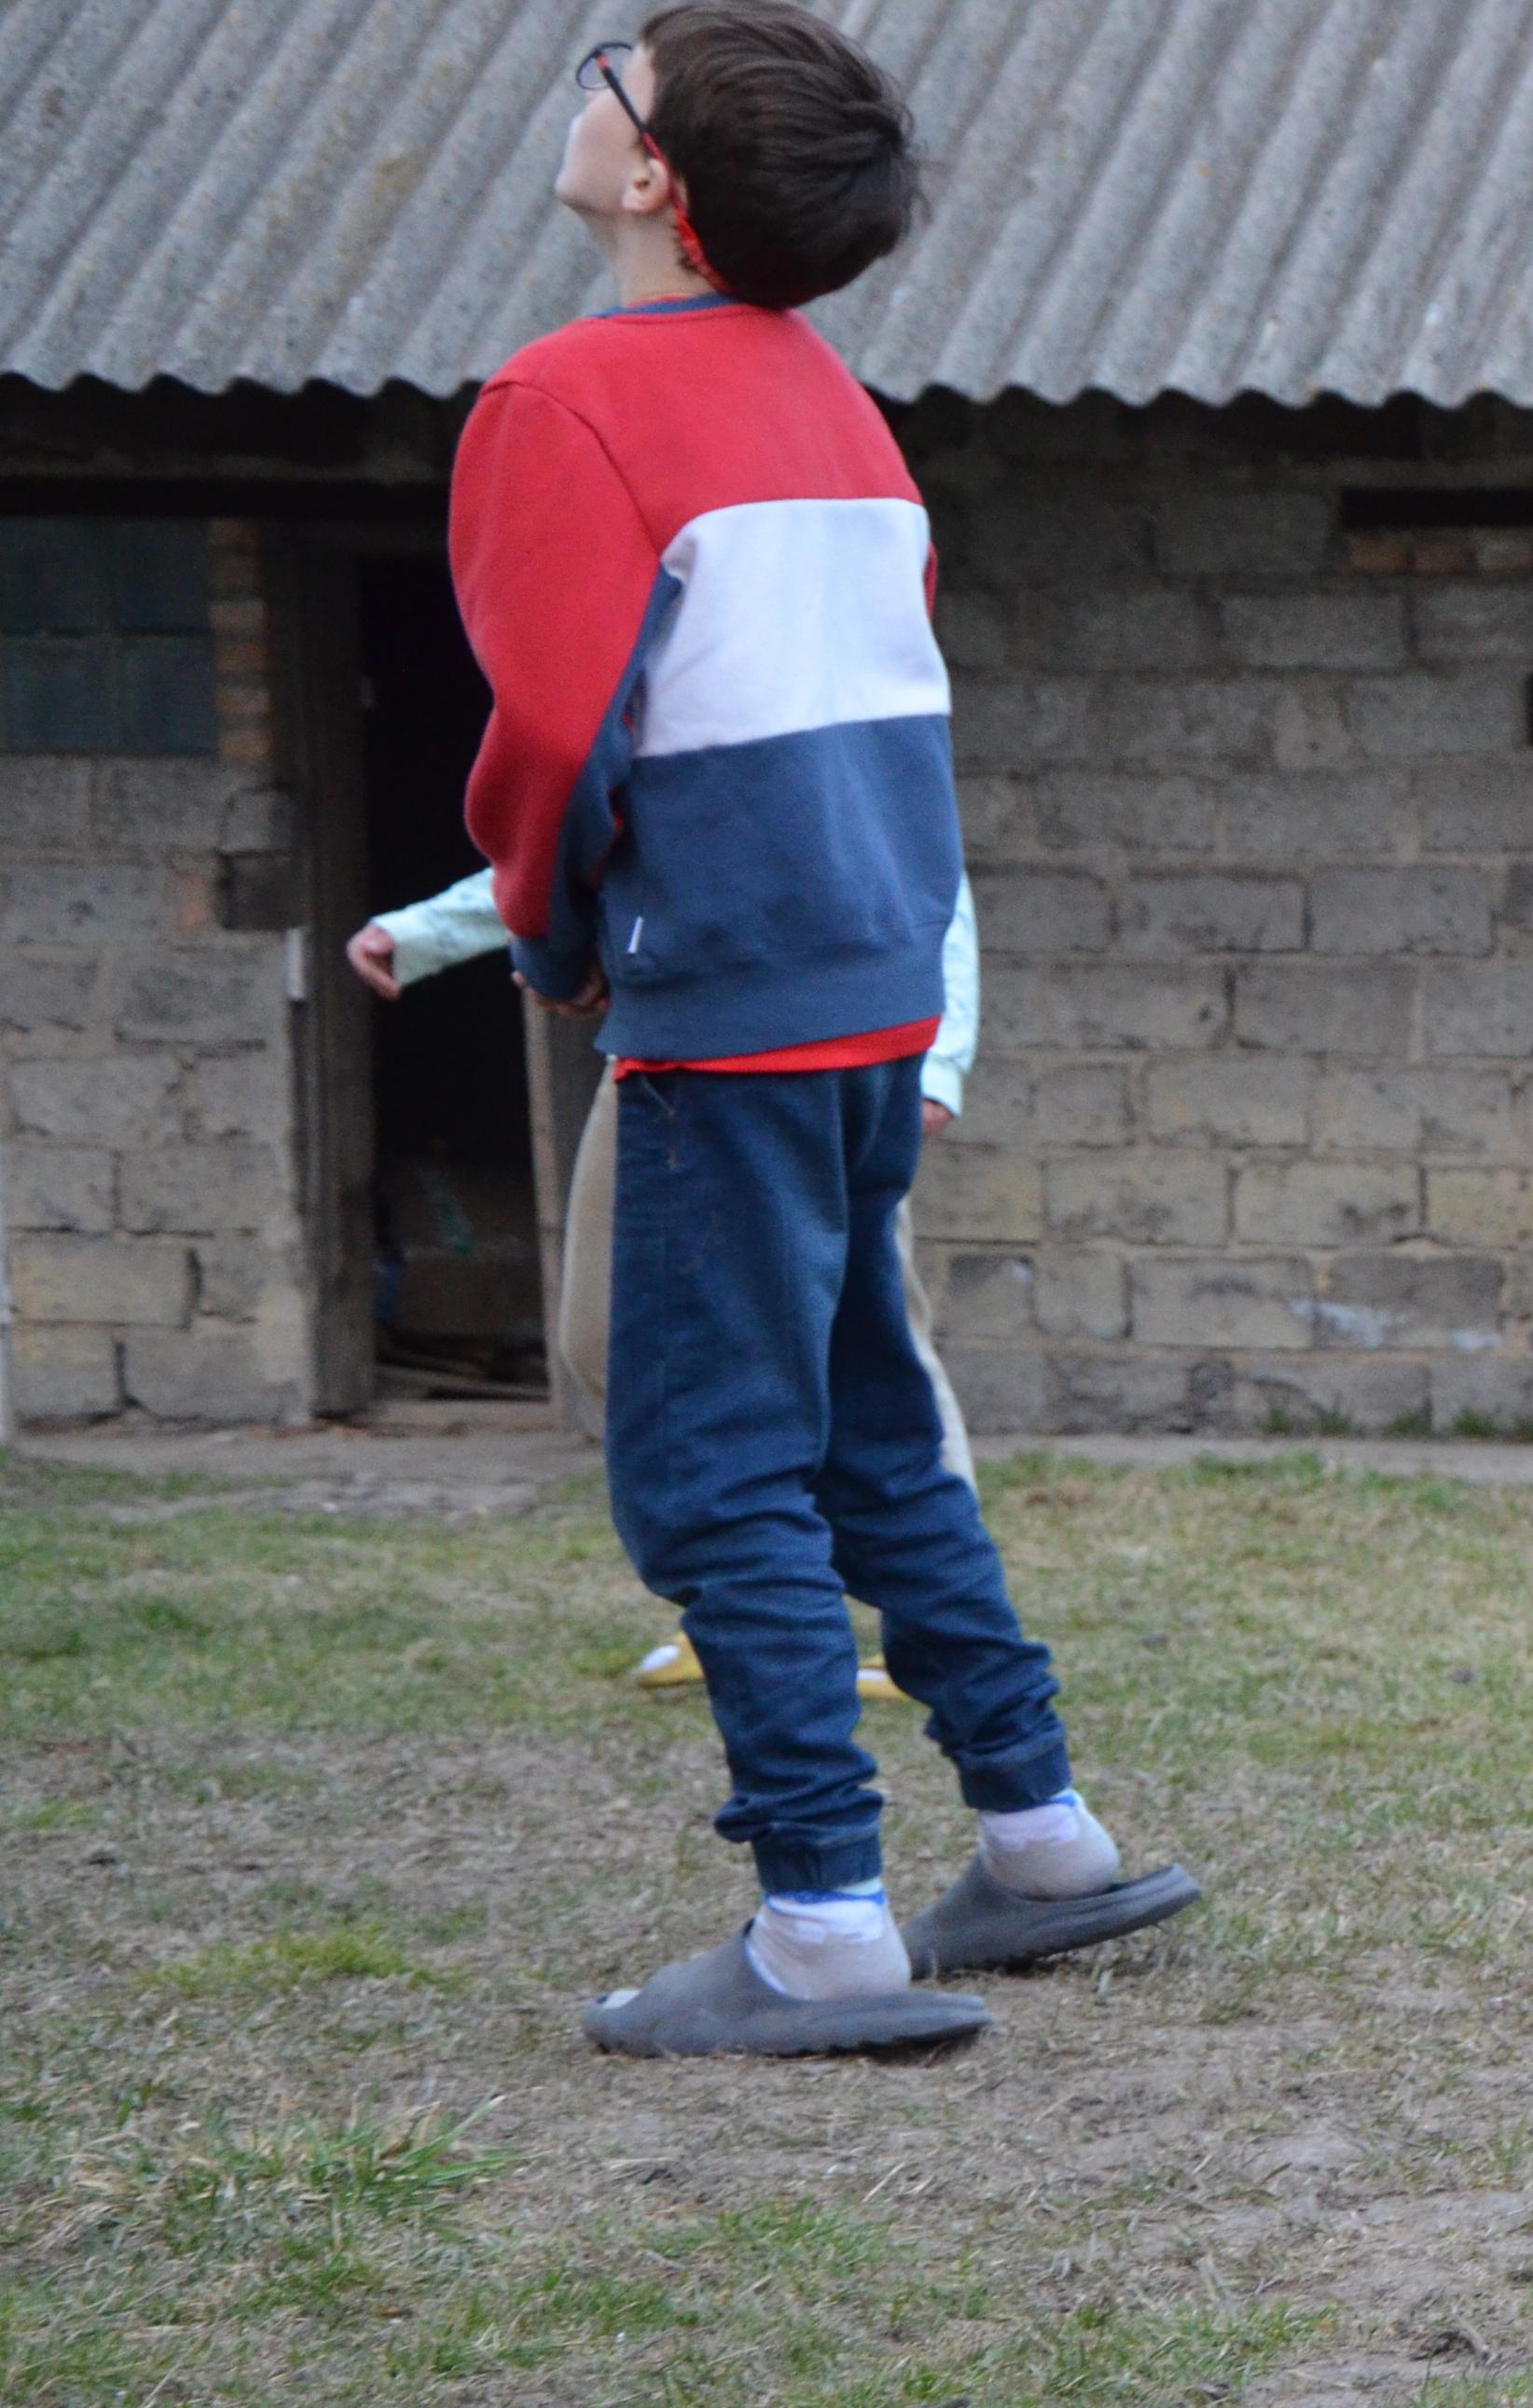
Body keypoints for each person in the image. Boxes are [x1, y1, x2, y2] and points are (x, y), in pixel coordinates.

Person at [457, 7, 1195, 2054]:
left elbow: (543, 731)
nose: (584, 80)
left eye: (611, 70)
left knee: (711, 1475)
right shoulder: (832, 406)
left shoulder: (561, 399)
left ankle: (820, 1926)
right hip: (873, 991)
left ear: (652, 178)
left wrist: (549, 933)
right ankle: (1040, 1834)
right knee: (872, 1420)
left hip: (735, 1008)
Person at [353, 870, 984, 1700]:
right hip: (668, 1052)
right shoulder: (656, 742)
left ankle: (940, 1632)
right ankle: (746, 1610)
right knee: (609, 1339)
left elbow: (925, 864)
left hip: (828, 1046)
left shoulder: (847, 742)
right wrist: (434, 929)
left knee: (872, 1349)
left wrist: (940, 1060)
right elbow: (577, 825)